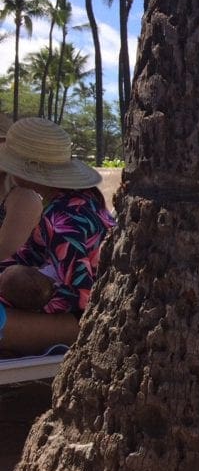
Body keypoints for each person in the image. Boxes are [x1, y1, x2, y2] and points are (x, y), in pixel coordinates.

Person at [0, 117, 116, 356]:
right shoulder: (68, 203)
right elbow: (29, 255)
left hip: (83, 318)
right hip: (71, 306)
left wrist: (18, 295)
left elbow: (81, 295)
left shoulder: (65, 219)